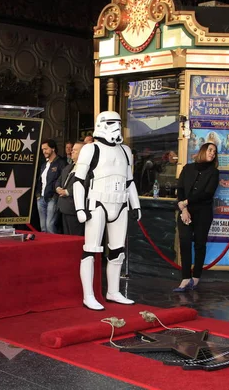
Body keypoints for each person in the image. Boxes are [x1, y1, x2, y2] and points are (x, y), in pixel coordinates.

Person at [73, 111, 141, 310]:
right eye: (111, 122)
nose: (116, 127)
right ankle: (89, 295)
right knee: (91, 250)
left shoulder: (125, 151)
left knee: (118, 250)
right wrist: (80, 208)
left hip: (120, 204)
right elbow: (78, 180)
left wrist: (136, 204)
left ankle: (113, 291)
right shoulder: (90, 149)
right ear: (101, 124)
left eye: (119, 123)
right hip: (98, 202)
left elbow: (129, 181)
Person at [174, 143, 220, 291]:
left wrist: (186, 202)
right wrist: (184, 208)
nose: (212, 153)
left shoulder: (214, 172)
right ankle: (185, 277)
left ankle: (196, 277)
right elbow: (180, 188)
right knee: (185, 241)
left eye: (214, 152)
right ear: (202, 151)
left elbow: (207, 194)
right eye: (210, 150)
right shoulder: (188, 168)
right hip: (185, 211)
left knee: (200, 244)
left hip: (203, 213)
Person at [36, 139, 66, 233]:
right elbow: (40, 181)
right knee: (43, 227)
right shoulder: (44, 165)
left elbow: (63, 180)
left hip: (53, 198)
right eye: (42, 149)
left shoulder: (61, 163)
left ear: (53, 148)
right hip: (41, 198)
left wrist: (56, 194)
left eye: (46, 149)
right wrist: (37, 195)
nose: (44, 151)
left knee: (50, 225)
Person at [55, 141, 85, 235]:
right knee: (67, 236)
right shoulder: (68, 167)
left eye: (75, 150)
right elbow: (58, 180)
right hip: (63, 207)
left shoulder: (86, 168)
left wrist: (67, 192)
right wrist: (58, 188)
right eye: (72, 150)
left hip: (75, 209)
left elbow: (84, 183)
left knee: (75, 236)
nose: (72, 152)